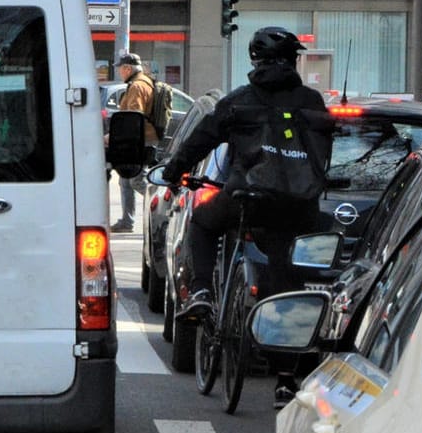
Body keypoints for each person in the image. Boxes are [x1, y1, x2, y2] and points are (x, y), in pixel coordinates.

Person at [162, 27, 334, 324]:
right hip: (299, 205)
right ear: (293, 61)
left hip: (249, 199)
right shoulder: (313, 102)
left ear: (255, 60)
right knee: (286, 267)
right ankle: (285, 355)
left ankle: (201, 291)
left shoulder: (240, 100)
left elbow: (201, 139)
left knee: (202, 221)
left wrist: (173, 171)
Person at [110, 52, 157, 233]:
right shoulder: (143, 82)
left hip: (139, 140)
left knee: (137, 180)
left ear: (127, 68)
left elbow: (133, 116)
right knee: (125, 180)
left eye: (120, 69)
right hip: (140, 138)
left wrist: (116, 136)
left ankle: (160, 205)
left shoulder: (137, 86)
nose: (119, 72)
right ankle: (126, 221)